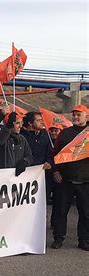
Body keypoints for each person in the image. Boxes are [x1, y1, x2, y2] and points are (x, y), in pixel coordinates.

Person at [51, 105, 88, 251]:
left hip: (86, 180)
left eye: (79, 115)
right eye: (74, 115)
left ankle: (84, 240)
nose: (76, 117)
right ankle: (58, 238)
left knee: (86, 212)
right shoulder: (65, 134)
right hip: (65, 179)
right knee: (61, 211)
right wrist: (55, 171)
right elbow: (54, 154)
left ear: (86, 116)